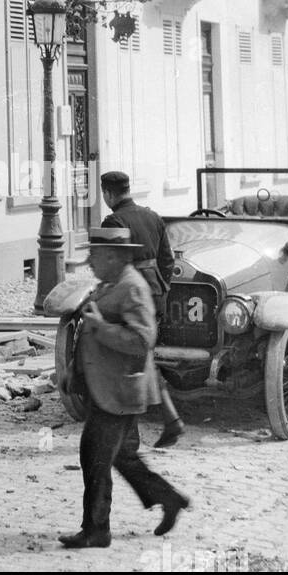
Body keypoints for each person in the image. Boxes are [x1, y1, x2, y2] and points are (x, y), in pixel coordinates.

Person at [58, 228, 190, 549]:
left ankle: (96, 530)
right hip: (109, 387)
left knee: (95, 457)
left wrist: (101, 328)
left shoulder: (132, 288)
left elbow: (143, 339)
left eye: (95, 255)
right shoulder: (113, 284)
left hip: (119, 392)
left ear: (115, 257)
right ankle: (169, 498)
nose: (89, 261)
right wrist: (73, 372)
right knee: (122, 457)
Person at [101, 169, 185, 447]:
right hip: (156, 294)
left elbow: (108, 267)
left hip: (129, 297)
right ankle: (171, 421)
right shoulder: (152, 216)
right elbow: (168, 260)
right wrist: (161, 290)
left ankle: (131, 436)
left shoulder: (113, 220)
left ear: (109, 193)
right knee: (144, 357)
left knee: (125, 362)